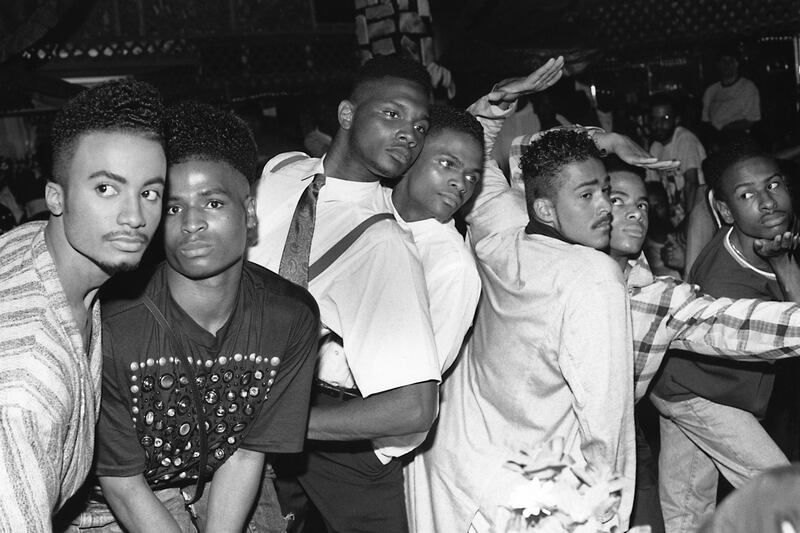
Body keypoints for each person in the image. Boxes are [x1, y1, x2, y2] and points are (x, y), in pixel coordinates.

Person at [87, 102, 319, 533]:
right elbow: (122, 484)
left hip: (217, 476)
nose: (191, 223)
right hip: (114, 496)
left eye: (212, 202)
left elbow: (246, 453)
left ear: (249, 213)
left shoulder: (289, 318)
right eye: (173, 208)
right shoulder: (117, 323)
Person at [248, 54, 441, 532]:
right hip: (230, 397)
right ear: (347, 114)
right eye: (392, 114)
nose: (408, 134)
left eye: (420, 127)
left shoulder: (384, 243)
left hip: (309, 423)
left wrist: (287, 423)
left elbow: (415, 406)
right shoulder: (283, 169)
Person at [417, 127, 638, 532]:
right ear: (546, 210)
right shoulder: (594, 277)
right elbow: (607, 413)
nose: (606, 206)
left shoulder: (499, 230)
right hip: (521, 494)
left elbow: (476, 148)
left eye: (606, 191)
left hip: (447, 461)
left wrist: (495, 107)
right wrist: (610, 507)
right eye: (586, 195)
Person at [0, 79, 167, 531]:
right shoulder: (26, 382)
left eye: (149, 193)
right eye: (106, 188)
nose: (134, 217)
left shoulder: (43, 248)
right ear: (55, 196)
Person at [651, 141, 799, 533]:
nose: (767, 202)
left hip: (681, 383)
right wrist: (785, 265)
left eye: (774, 185)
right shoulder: (727, 285)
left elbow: (702, 199)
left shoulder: (753, 232)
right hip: (699, 394)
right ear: (727, 211)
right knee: (781, 491)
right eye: (747, 195)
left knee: (687, 507)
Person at [647, 92, 707, 228]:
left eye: (665, 118)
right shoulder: (655, 148)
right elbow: (654, 189)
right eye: (654, 119)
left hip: (698, 214)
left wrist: (688, 223)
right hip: (675, 217)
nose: (658, 124)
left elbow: (692, 183)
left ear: (676, 119)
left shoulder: (685, 140)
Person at [702, 48, 760, 133]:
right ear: (718, 65)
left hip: (738, 136)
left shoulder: (748, 87)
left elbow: (752, 120)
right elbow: (705, 119)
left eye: (731, 61)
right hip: (714, 136)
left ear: (737, 64)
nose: (727, 64)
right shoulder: (711, 90)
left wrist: (724, 130)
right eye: (723, 61)